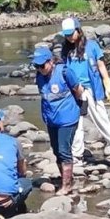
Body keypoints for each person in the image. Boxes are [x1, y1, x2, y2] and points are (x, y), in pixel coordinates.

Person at [61, 17, 110, 163]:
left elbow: (101, 65)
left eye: (71, 33)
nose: (69, 37)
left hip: (91, 90)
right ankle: (77, 155)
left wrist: (107, 84)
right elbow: (64, 70)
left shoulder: (92, 46)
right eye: (66, 35)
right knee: (77, 124)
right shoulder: (66, 49)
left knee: (103, 120)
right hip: (75, 91)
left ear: (78, 30)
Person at [32, 46, 85, 195]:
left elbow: (78, 90)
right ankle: (66, 178)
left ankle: (67, 185)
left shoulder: (64, 72)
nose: (40, 69)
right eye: (36, 66)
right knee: (56, 151)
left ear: (50, 61)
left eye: (42, 65)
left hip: (67, 119)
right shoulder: (40, 76)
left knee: (64, 150)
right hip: (51, 120)